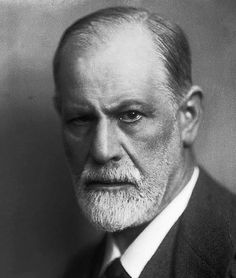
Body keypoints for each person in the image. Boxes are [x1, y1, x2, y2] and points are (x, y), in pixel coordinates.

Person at [53, 6, 236, 278]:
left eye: (131, 115)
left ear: (188, 117)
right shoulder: (79, 269)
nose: (103, 150)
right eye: (80, 119)